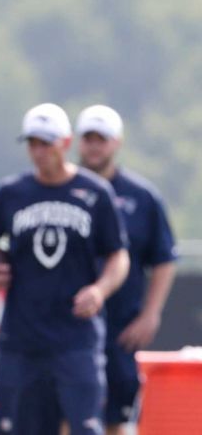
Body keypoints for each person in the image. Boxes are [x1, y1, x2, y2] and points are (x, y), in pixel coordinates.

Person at [0, 103, 130, 435]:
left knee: (85, 426)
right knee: (18, 428)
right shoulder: (12, 192)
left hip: (76, 336)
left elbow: (118, 255)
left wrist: (100, 289)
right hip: (22, 338)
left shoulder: (94, 192)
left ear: (65, 143)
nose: (38, 151)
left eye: (46, 143)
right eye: (33, 143)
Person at [75, 105, 177, 435]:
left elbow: (163, 259)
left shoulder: (142, 196)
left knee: (117, 420)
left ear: (116, 142)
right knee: (65, 415)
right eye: (88, 138)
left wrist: (150, 315)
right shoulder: (61, 187)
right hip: (68, 325)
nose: (94, 146)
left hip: (121, 325)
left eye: (101, 139)